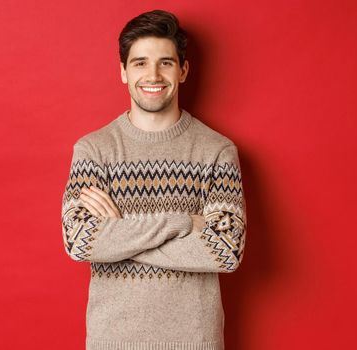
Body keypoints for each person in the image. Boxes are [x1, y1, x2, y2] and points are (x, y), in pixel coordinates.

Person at [60, 9, 246, 350]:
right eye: (140, 62)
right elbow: (80, 243)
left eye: (166, 62)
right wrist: (184, 222)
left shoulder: (217, 152)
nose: (153, 74)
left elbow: (225, 251)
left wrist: (121, 232)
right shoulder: (94, 150)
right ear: (123, 72)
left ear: (183, 70)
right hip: (112, 340)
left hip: (195, 340)